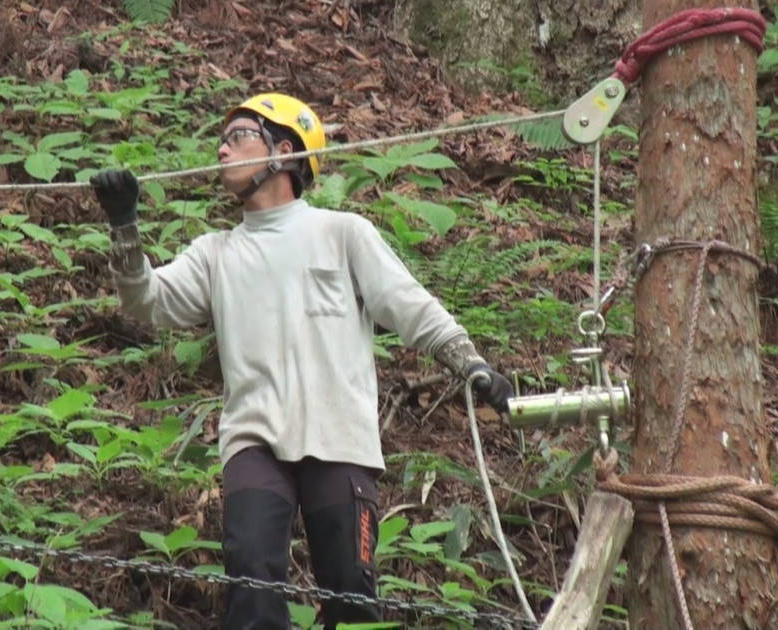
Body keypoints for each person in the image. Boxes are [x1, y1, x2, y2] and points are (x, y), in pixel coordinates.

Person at [90, 93, 513, 630]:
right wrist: (124, 227)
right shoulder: (216, 253)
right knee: (252, 588)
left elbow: (409, 306)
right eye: (222, 139)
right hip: (254, 443)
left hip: (340, 441)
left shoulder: (342, 233)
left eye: (239, 136)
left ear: (284, 152)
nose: (222, 149)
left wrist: (470, 362)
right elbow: (145, 301)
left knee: (352, 599)